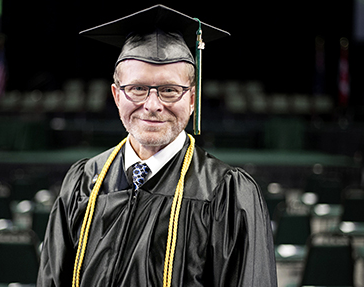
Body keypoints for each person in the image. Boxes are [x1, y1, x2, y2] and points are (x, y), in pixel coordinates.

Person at [37, 5, 277, 287]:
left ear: (192, 98)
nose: (152, 105)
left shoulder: (227, 195)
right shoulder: (82, 183)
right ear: (116, 95)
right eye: (137, 88)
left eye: (169, 90)